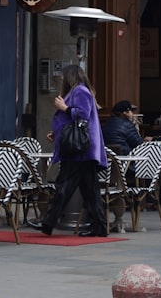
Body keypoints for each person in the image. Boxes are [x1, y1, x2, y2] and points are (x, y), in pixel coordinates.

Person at [29, 64, 109, 237]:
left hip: (78, 151)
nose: (62, 79)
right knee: (90, 191)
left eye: (64, 76)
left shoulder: (80, 91)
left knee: (63, 186)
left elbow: (83, 115)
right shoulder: (80, 90)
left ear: (70, 76)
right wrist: (58, 133)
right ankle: (99, 226)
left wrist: (64, 107)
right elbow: (77, 120)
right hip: (83, 151)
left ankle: (48, 222)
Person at [102, 100, 144, 231]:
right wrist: (136, 129)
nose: (132, 114)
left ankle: (116, 218)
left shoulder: (104, 125)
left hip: (105, 171)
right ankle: (129, 215)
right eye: (130, 111)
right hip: (126, 169)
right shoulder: (127, 126)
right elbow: (140, 146)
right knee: (145, 173)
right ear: (125, 113)